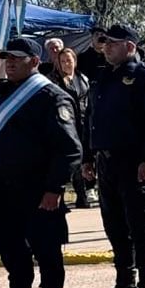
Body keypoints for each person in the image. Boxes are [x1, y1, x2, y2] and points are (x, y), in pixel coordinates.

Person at [0, 38, 82, 288]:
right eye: (6, 57)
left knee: (47, 254)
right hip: (6, 191)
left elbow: (69, 149)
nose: (10, 62)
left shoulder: (51, 97)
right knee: (13, 253)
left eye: (17, 57)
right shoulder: (0, 93)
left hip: (39, 192)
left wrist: (53, 188)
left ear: (35, 61)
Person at [84, 24, 145, 288]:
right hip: (106, 161)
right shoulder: (103, 76)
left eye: (112, 43)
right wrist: (88, 156)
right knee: (115, 227)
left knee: (139, 225)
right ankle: (125, 282)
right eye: (104, 42)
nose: (106, 47)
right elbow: (91, 119)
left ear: (130, 47)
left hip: (134, 163)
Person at [52, 48, 93, 209]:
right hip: (62, 125)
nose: (66, 64)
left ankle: (82, 196)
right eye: (63, 61)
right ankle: (59, 198)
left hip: (81, 125)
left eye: (69, 60)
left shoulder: (82, 79)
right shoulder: (54, 81)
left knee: (80, 161)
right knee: (62, 163)